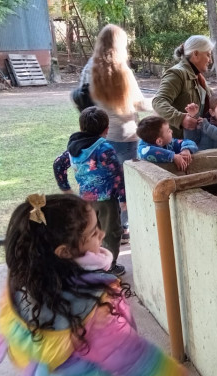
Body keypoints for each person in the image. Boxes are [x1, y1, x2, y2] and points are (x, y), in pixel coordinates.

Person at [0, 193, 189, 376]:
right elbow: (127, 354)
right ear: (65, 252)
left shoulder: (22, 285)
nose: (102, 234)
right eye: (94, 233)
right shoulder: (93, 307)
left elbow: (11, 332)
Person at [87, 23, 146, 245]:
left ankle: (107, 227)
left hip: (101, 136)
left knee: (108, 184)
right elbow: (139, 103)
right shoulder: (123, 72)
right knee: (127, 185)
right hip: (126, 136)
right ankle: (124, 228)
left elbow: (85, 102)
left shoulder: (89, 70)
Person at [53, 106, 126, 276]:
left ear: (81, 128)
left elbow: (58, 164)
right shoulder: (104, 148)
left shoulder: (73, 148)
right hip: (106, 200)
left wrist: (65, 188)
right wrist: (123, 198)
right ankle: (110, 266)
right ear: (106, 130)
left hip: (85, 200)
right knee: (111, 232)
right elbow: (117, 173)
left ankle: (91, 263)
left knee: (90, 232)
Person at [152, 35, 214, 140]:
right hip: (178, 144)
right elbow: (158, 101)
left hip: (194, 140)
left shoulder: (197, 77)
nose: (210, 60)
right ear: (195, 54)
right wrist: (181, 119)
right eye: (208, 55)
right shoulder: (177, 73)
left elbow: (214, 99)